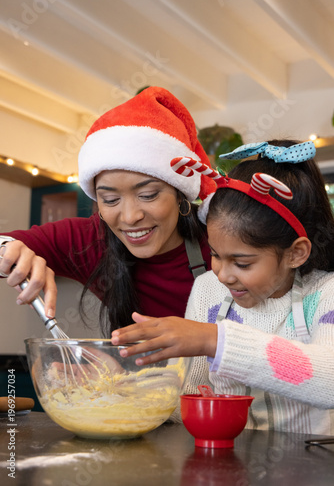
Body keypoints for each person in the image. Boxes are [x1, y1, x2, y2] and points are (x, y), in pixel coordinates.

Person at [111, 140, 334, 434]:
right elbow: (189, 396)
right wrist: (125, 387)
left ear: (296, 253)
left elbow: (328, 381)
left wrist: (216, 340)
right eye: (215, 254)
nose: (222, 275)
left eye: (242, 263)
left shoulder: (324, 294)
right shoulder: (208, 290)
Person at [0, 86, 217, 336]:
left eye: (148, 195)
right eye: (110, 199)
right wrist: (7, 252)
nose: (129, 217)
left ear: (181, 192)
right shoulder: (92, 239)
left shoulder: (219, 241)